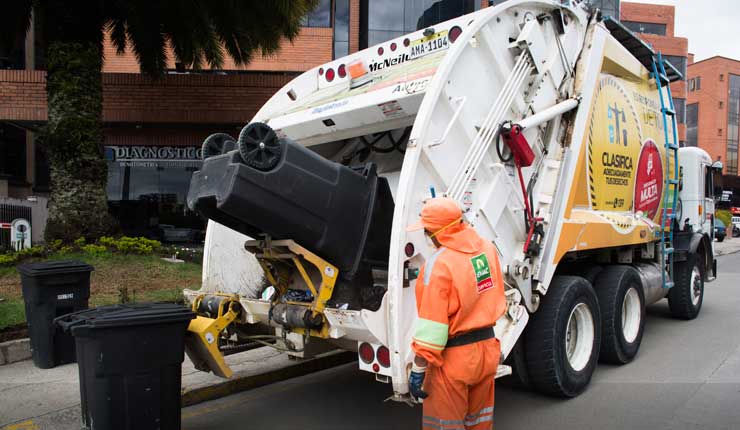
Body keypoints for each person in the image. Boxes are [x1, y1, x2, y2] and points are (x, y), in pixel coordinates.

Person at [406, 197, 507, 430]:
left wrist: (419, 368)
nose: (427, 236)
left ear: (439, 232)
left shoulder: (439, 265)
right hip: (487, 350)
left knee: (446, 425)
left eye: (428, 231)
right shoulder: (487, 250)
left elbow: (432, 328)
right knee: (480, 422)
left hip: (454, 360)